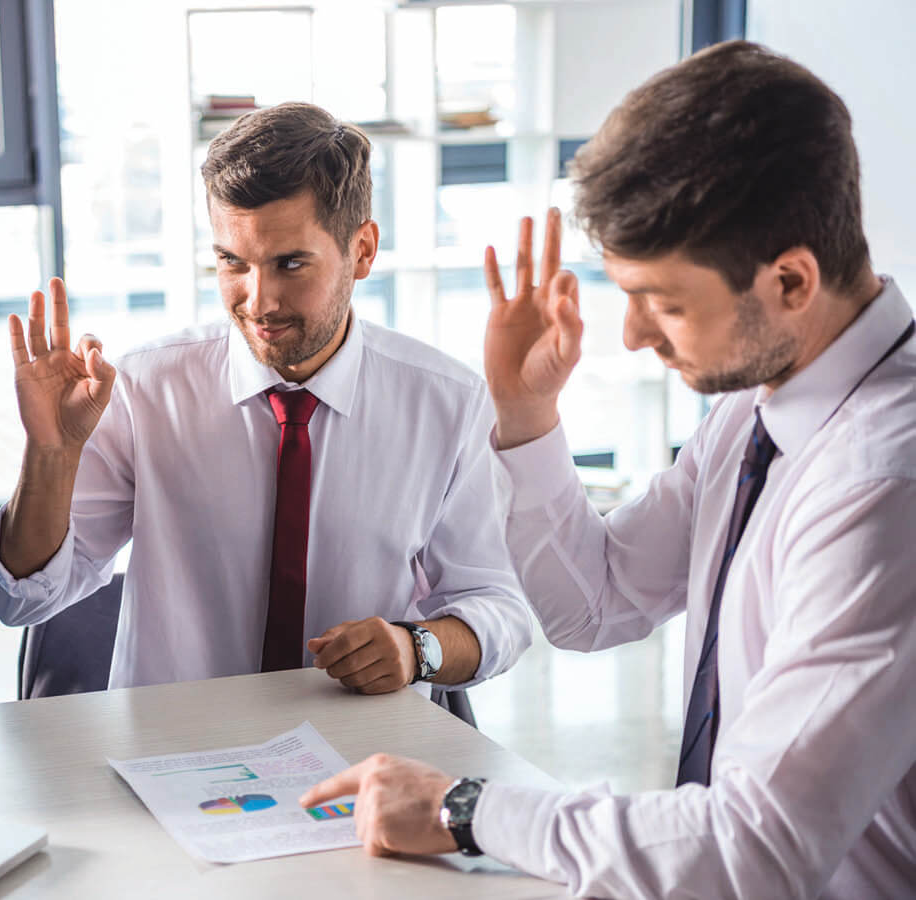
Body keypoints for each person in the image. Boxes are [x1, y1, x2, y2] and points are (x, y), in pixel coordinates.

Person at [301, 41, 916, 898]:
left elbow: (758, 848)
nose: (631, 337)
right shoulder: (755, 411)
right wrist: (524, 417)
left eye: (664, 303)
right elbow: (596, 605)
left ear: (790, 281)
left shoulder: (885, 487)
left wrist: (470, 809)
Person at [0, 102, 531, 698]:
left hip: (361, 759)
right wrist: (50, 454)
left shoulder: (447, 404)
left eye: (290, 263)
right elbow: (24, 598)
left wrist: (416, 646)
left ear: (363, 251)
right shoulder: (145, 391)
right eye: (232, 263)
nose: (259, 300)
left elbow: (497, 606)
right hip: (175, 758)